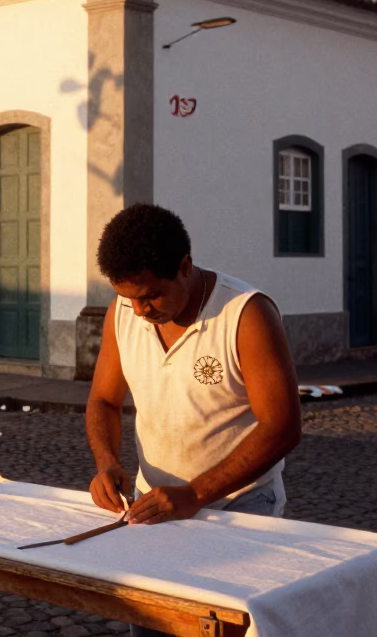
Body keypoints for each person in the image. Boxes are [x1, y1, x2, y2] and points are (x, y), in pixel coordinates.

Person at [85, 203, 302, 537]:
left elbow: (282, 427)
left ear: (184, 266)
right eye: (129, 299)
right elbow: (103, 399)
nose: (140, 311)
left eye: (151, 296)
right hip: (152, 503)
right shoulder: (122, 312)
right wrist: (107, 463)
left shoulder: (246, 315)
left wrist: (195, 494)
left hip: (240, 505)